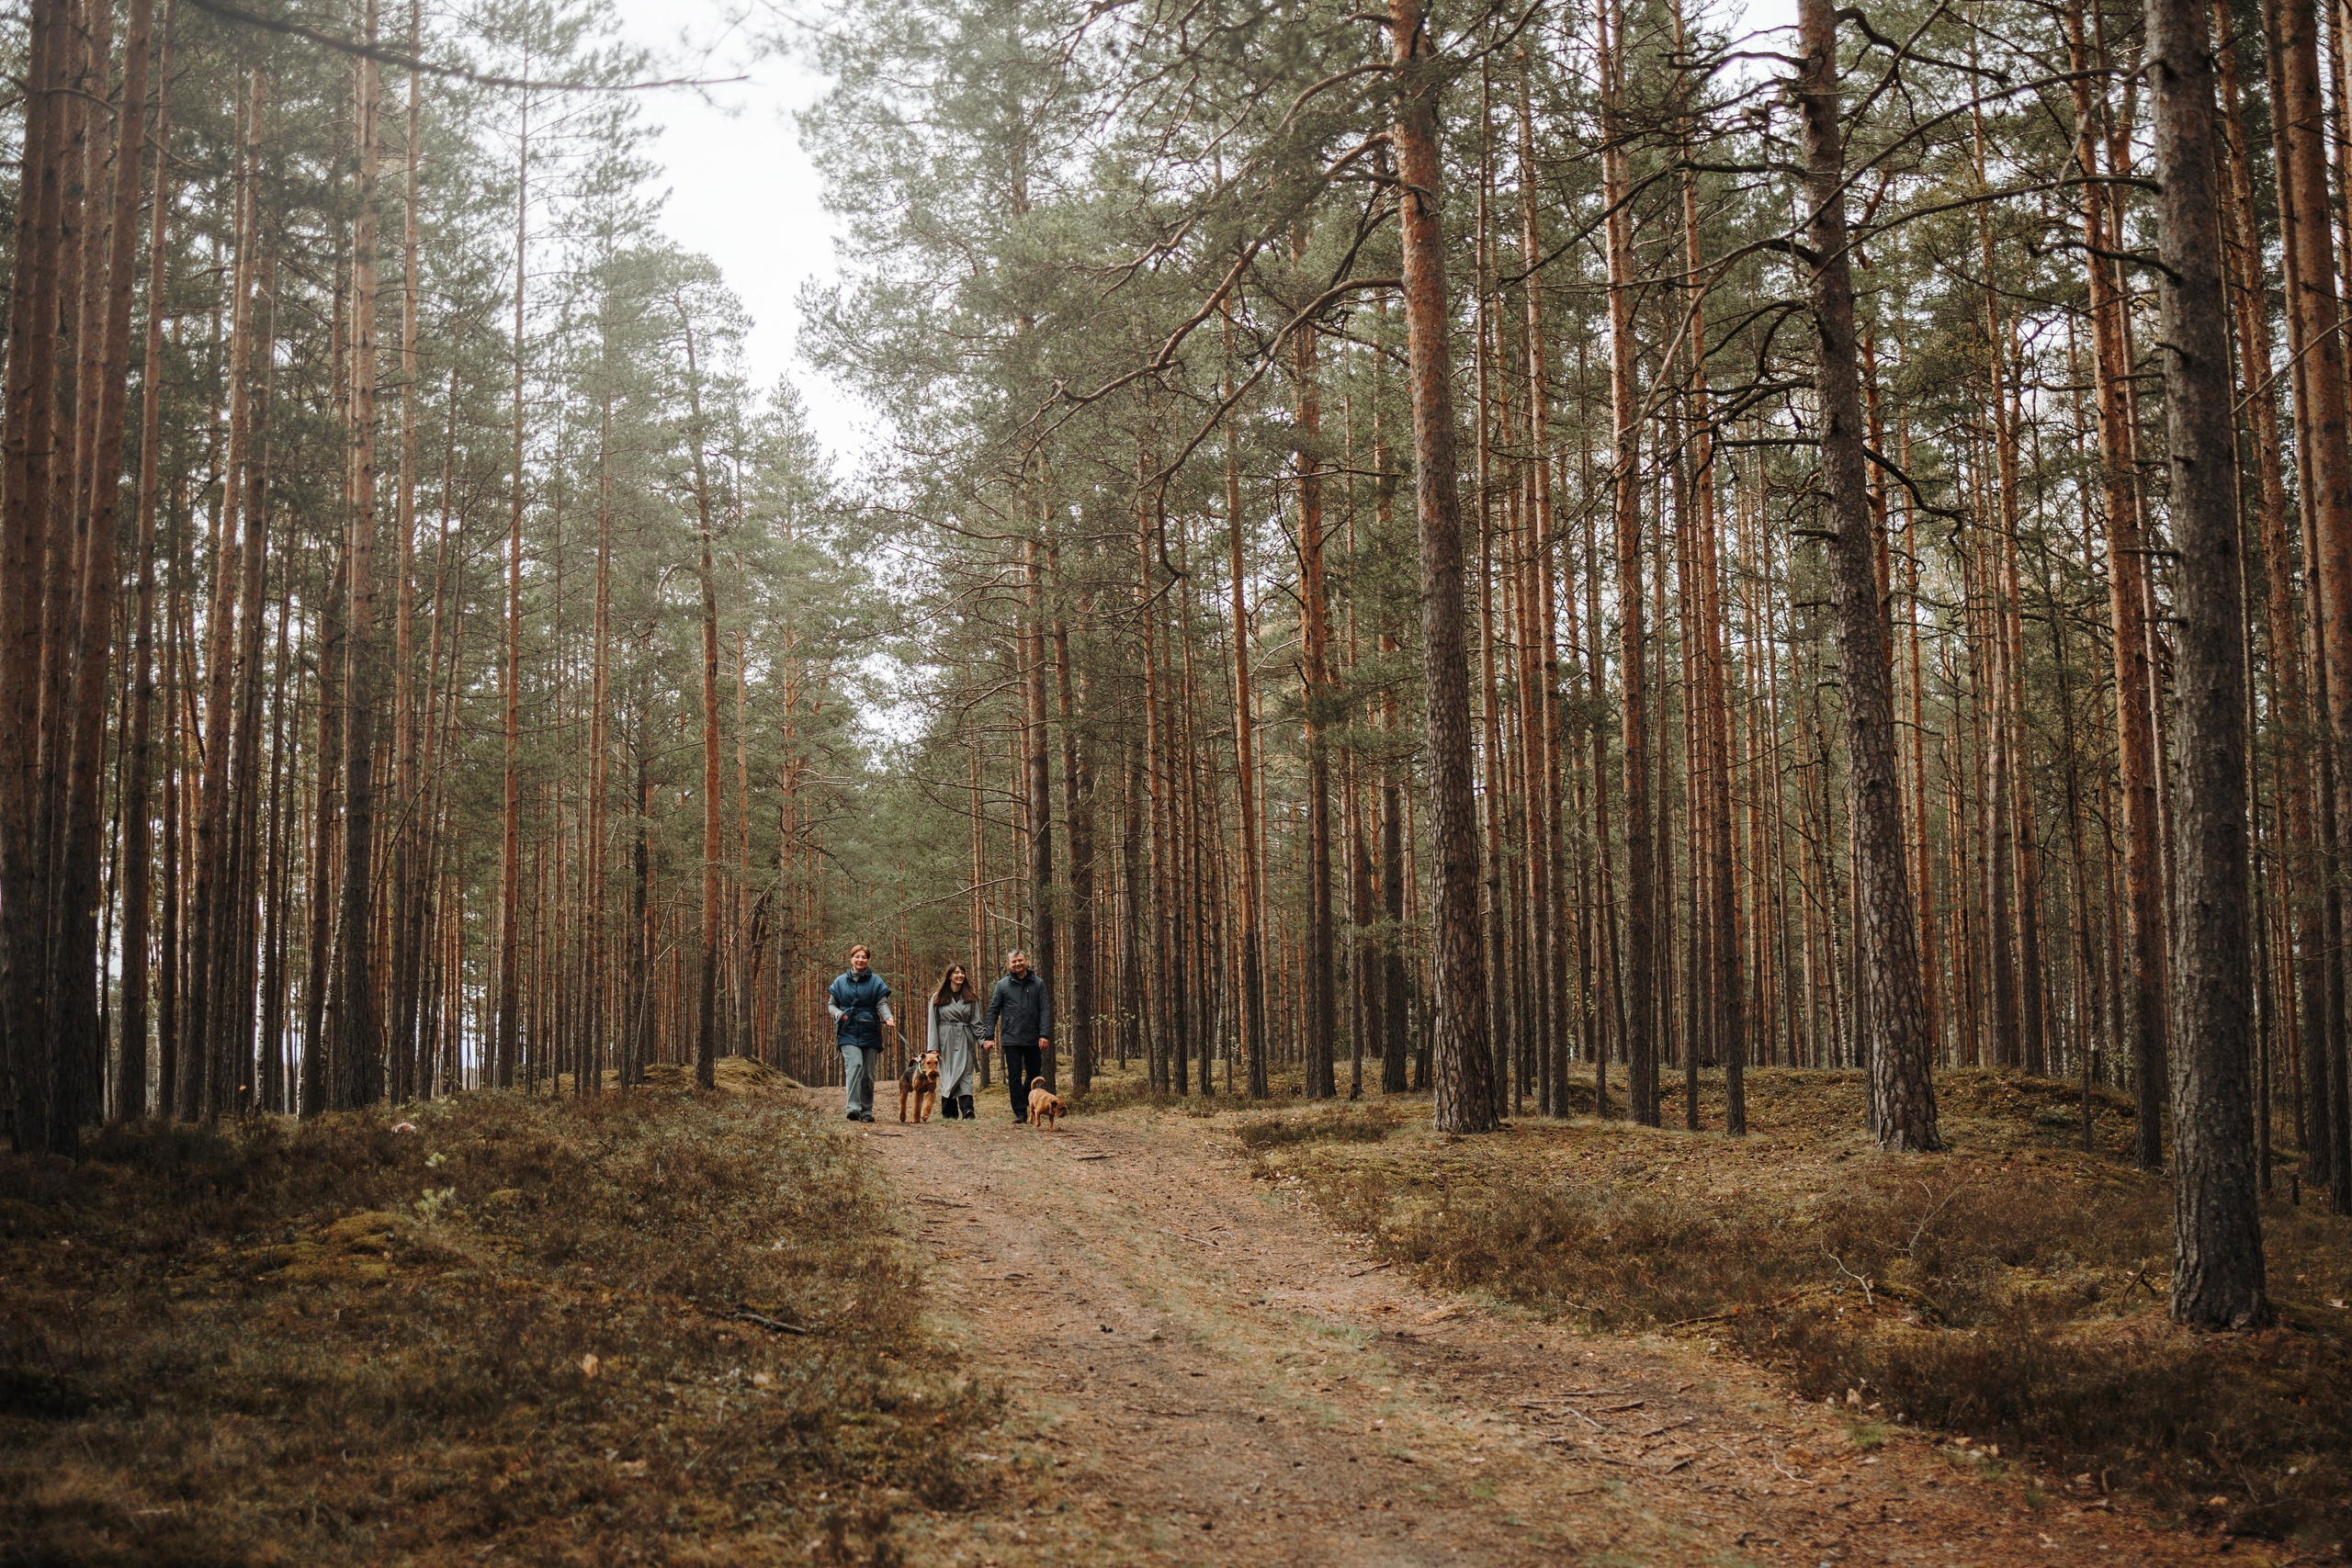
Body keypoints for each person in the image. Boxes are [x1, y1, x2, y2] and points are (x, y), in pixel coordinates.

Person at [980, 949, 1052, 1123]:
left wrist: (1044, 1034)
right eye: (1014, 962)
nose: (1017, 964)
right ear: (1009, 964)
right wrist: (988, 1037)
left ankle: (1027, 1104)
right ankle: (1020, 1112)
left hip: (1033, 1037)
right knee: (1014, 1075)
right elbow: (993, 1012)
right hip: (1011, 1038)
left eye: (1020, 961)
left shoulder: (1038, 983)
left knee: (1034, 1073)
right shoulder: (1002, 985)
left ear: (1026, 961)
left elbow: (1045, 1010)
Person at [827, 944, 896, 1122]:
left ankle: (867, 1110)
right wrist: (838, 1014)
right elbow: (831, 1004)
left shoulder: (876, 981)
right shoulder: (840, 981)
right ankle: (853, 1108)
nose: (860, 960)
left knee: (868, 1073)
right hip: (848, 1030)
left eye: (863, 957)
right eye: (857, 957)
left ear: (867, 960)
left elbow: (882, 1004)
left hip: (870, 1030)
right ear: (851, 959)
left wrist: (888, 1018)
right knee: (855, 1065)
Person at [928, 963, 983, 1122]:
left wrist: (983, 1040)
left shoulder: (971, 998)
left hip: (965, 1038)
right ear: (950, 976)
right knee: (948, 1075)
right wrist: (933, 1048)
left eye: (962, 973)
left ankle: (967, 1110)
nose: (960, 975)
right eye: (956, 973)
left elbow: (977, 1023)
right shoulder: (937, 998)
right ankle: (949, 1112)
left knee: (966, 1073)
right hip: (946, 1040)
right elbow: (933, 1024)